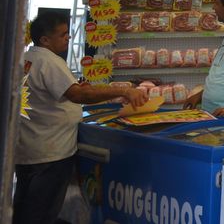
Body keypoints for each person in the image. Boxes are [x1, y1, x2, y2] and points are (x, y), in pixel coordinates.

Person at [15, 13, 149, 224]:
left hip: (29, 149)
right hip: (50, 154)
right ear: (45, 40)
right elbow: (78, 95)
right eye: (63, 34)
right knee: (41, 213)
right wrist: (125, 91)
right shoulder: (49, 61)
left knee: (25, 209)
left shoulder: (26, 59)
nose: (68, 37)